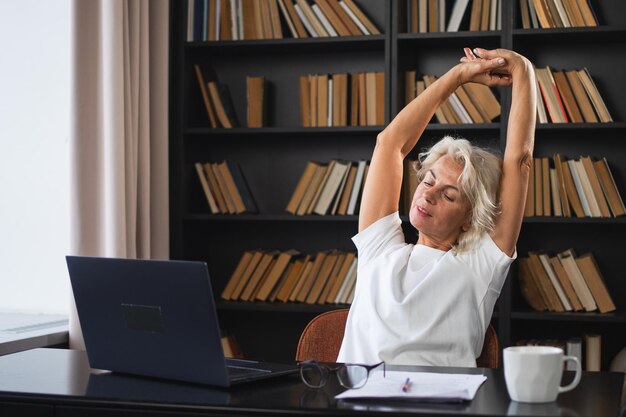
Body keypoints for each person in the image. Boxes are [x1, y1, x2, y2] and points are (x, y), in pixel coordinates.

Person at [336, 48, 537, 367]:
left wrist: (524, 70)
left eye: (449, 195)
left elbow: (520, 161)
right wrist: (458, 76)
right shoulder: (379, 249)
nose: (427, 196)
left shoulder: (479, 267)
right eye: (428, 181)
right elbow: (390, 144)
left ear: (470, 220)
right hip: (356, 403)